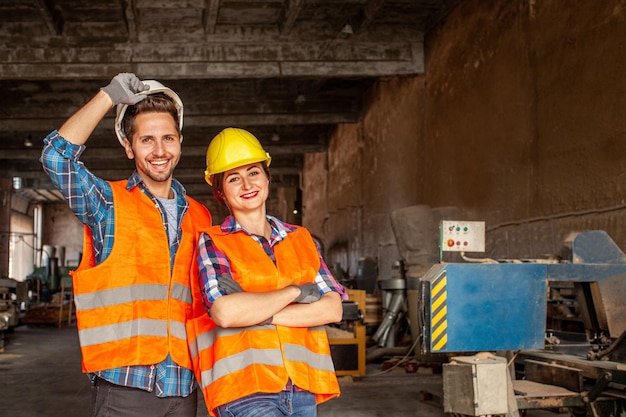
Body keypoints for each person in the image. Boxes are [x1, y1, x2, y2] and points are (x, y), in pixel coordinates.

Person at [40, 73, 212, 417]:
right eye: (146, 140)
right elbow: (56, 158)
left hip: (185, 384)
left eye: (168, 138)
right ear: (128, 146)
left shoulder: (201, 216)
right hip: (125, 386)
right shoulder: (106, 203)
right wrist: (108, 96)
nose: (160, 150)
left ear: (180, 142)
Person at [186, 127, 346, 417]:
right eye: (234, 178)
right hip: (245, 390)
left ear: (267, 177)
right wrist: (295, 292)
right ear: (220, 191)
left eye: (254, 172)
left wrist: (260, 311)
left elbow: (333, 308)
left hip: (301, 388)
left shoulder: (301, 238)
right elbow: (226, 313)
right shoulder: (213, 241)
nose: (247, 184)